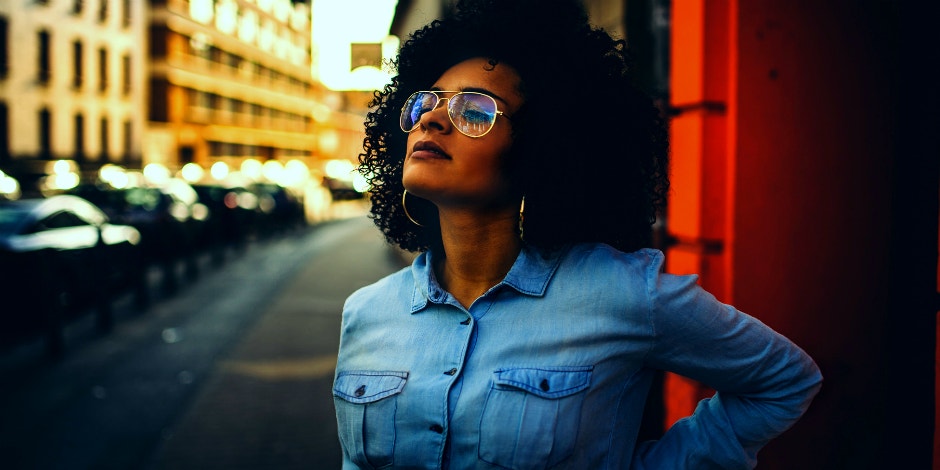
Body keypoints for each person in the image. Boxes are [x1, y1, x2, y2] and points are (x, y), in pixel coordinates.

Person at [332, 0, 823, 468]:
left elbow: (784, 381)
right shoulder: (366, 312)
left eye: (475, 110)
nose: (433, 119)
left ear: (542, 149)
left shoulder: (622, 294)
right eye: (426, 103)